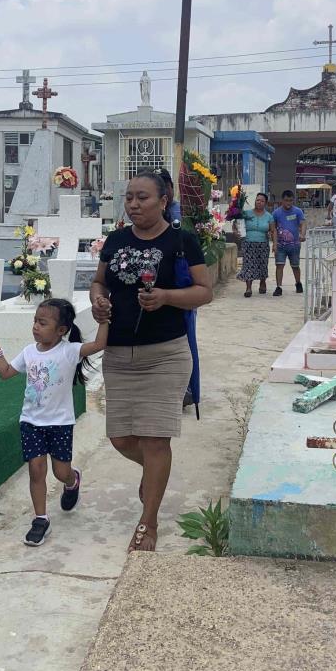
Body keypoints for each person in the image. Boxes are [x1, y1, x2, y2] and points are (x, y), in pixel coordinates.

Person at [90, 169, 213, 552]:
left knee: (155, 438)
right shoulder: (115, 240)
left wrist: (166, 297)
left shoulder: (182, 241)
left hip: (165, 354)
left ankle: (149, 522)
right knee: (121, 437)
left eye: (142, 197)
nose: (133, 204)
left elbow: (204, 292)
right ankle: (153, 474)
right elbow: (100, 281)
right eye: (129, 197)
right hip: (118, 353)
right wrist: (97, 299)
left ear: (164, 200)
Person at [0, 299, 109, 547]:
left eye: (42, 322)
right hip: (31, 422)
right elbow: (5, 372)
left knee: (61, 472)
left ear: (61, 330)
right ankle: (41, 518)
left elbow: (100, 344)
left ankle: (73, 481)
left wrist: (103, 319)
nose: (35, 327)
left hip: (60, 424)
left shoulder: (69, 351)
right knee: (36, 470)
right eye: (35, 321)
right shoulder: (29, 352)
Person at [237, 192, 273, 298]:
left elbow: (273, 230)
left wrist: (275, 243)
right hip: (248, 243)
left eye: (262, 201)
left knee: (262, 264)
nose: (259, 202)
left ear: (265, 203)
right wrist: (236, 232)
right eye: (258, 200)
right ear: (255, 201)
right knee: (248, 265)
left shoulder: (269, 216)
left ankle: (262, 282)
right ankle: (248, 288)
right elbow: (238, 224)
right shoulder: (247, 213)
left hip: (263, 244)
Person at [271, 189, 307, 296]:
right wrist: (274, 243)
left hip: (294, 245)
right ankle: (279, 287)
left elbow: (303, 223)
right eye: (286, 200)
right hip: (280, 245)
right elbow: (274, 229)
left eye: (290, 200)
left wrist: (302, 234)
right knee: (279, 265)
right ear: (282, 200)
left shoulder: (298, 211)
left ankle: (298, 283)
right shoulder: (276, 213)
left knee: (295, 266)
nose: (288, 203)